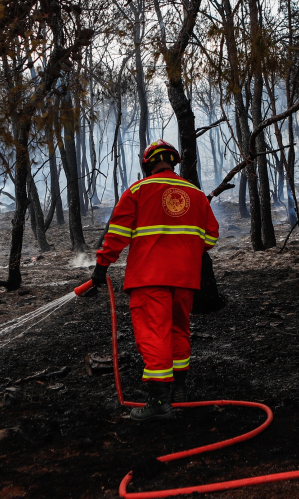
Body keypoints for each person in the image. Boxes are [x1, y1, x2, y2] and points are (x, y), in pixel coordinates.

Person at [91, 140, 219, 421]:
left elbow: (116, 236)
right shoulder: (195, 194)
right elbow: (210, 238)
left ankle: (160, 402)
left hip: (149, 278)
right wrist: (184, 247)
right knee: (178, 331)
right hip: (185, 279)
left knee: (153, 334)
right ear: (172, 163)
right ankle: (180, 392)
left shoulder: (138, 190)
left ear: (147, 164)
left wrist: (100, 270)